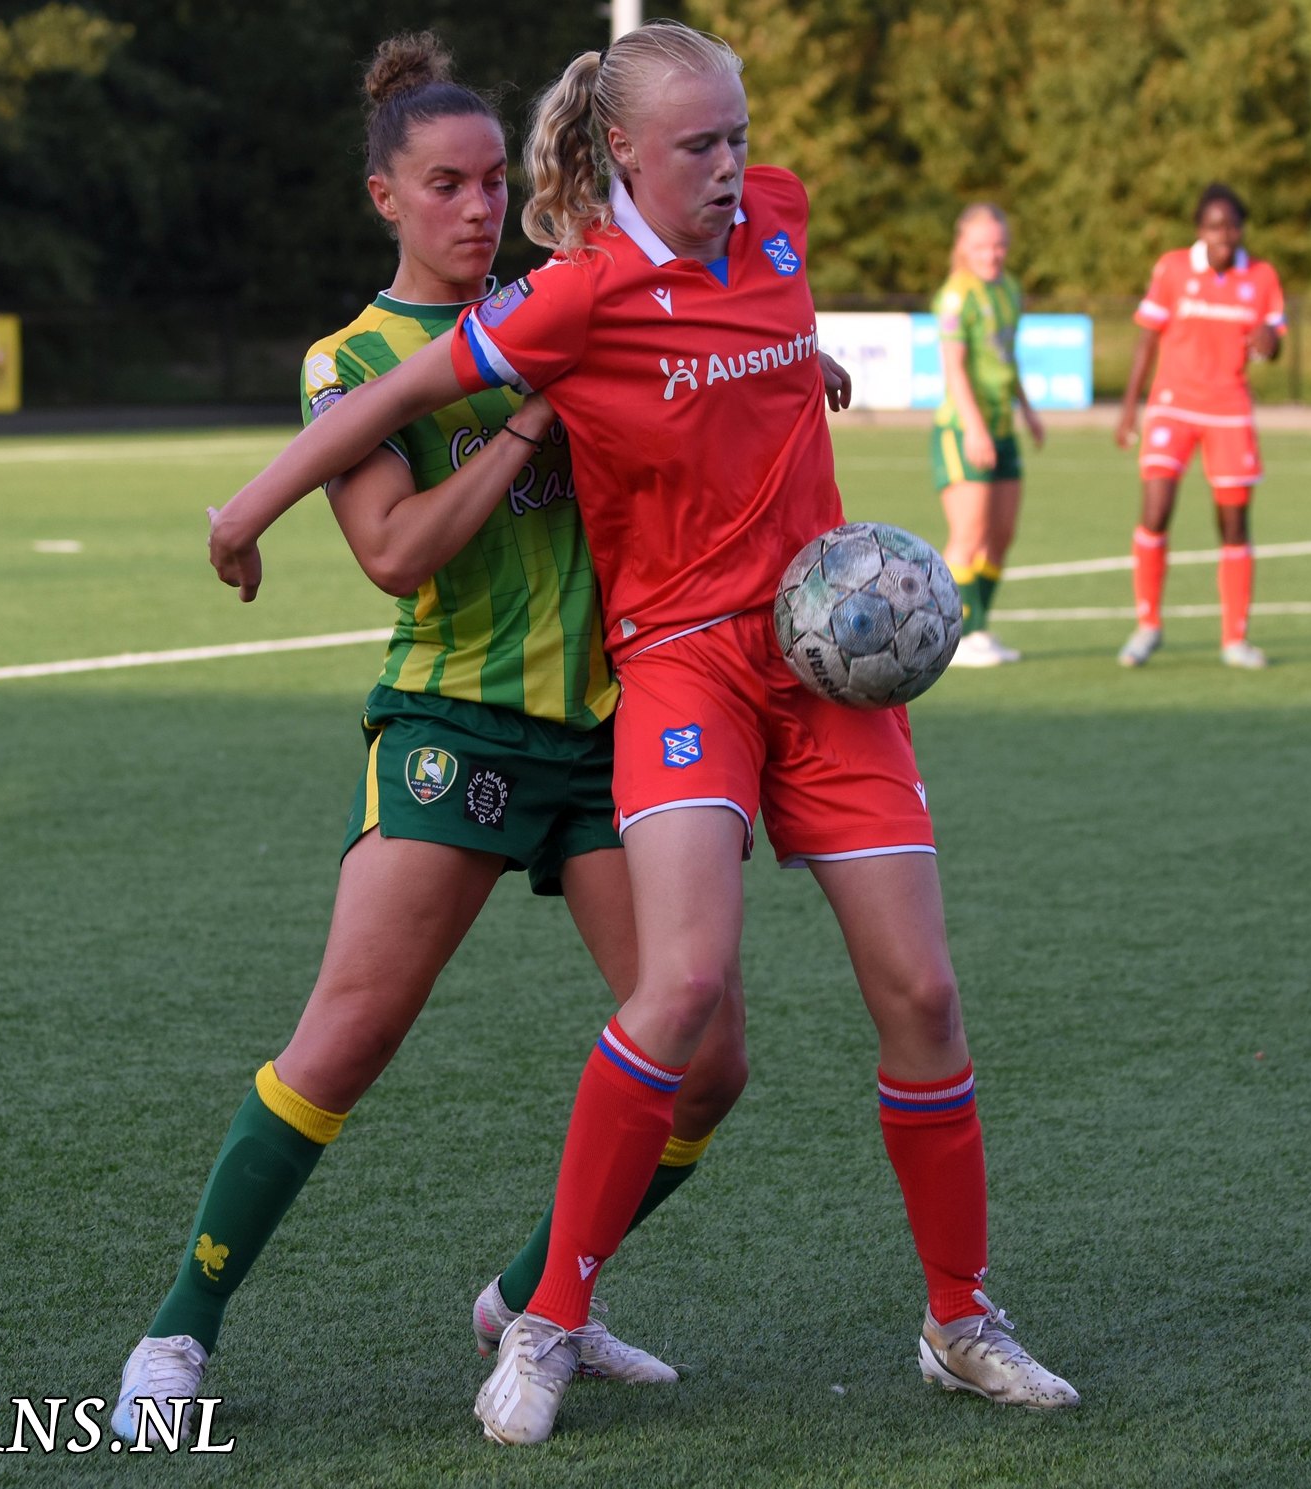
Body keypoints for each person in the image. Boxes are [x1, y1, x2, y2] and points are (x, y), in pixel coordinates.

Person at [205, 20, 1078, 1448]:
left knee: (922, 995)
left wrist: (809, 379)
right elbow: (398, 395)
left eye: (739, 135)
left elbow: (767, 339)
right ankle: (549, 1316)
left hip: (824, 672)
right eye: (700, 145)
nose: (734, 166)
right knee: (679, 995)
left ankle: (959, 1319)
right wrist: (247, 510)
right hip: (681, 673)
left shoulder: (778, 225)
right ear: (620, 150)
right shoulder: (577, 297)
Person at [111, 34, 751, 1445]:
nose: (475, 209)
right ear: (384, 200)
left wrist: (788, 376)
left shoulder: (563, 302)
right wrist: (528, 425)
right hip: (453, 727)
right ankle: (178, 1328)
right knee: (347, 1036)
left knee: (709, 1066)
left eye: (487, 183)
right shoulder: (350, 361)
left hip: (612, 732)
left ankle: (532, 1295)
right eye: (442, 186)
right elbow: (396, 553)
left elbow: (698, 384)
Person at [1114, 183, 1286, 670]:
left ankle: (1235, 638)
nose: (1223, 235)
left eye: (1231, 226)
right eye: (1214, 226)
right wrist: (1130, 409)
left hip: (1229, 410)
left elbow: (1274, 344)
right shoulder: (1171, 269)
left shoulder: (1261, 276)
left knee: (1233, 524)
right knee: (1156, 508)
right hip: (1172, 404)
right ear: (1199, 229)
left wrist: (1271, 343)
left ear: (1241, 229)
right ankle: (1148, 625)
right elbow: (1146, 340)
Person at [932, 204, 1043, 667]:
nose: (991, 254)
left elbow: (1006, 359)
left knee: (1000, 537)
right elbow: (954, 369)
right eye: (981, 245)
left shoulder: (1009, 290)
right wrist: (975, 428)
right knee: (969, 535)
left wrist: (1028, 409)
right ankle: (949, 638)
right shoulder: (958, 296)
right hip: (963, 430)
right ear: (963, 246)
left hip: (1002, 427)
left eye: (998, 244)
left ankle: (979, 630)